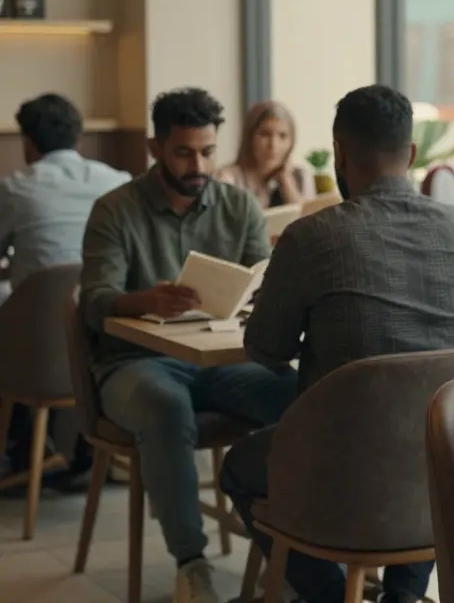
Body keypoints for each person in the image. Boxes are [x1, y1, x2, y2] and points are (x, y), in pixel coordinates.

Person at [219, 85, 454, 603]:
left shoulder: (310, 237)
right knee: (426, 438)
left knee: (240, 468)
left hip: (341, 476)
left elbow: (266, 350)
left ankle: (326, 595)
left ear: (339, 155)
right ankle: (403, 596)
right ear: (410, 155)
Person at [79, 87, 296, 603]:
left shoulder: (238, 205)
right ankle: (191, 564)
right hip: (135, 365)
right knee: (165, 407)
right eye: (183, 152)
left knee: (296, 394)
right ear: (155, 148)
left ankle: (290, 553)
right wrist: (143, 300)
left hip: (217, 363)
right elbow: (92, 302)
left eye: (207, 151)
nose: (197, 164)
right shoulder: (115, 210)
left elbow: (255, 284)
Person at [0, 93, 131, 483]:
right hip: (108, 341)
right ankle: (82, 452)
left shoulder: (15, 189)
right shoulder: (119, 182)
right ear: (78, 138)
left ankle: (24, 451)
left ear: (28, 142)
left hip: (34, 353)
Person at [215, 100, 315, 208]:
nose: (273, 145)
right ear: (250, 137)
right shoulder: (228, 178)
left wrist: (286, 181)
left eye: (282, 136)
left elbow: (308, 219)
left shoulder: (301, 176)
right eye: (265, 134)